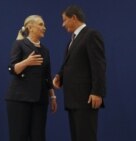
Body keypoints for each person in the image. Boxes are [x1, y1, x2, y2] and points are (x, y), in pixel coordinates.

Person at [53, 5, 106, 141]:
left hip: (86, 98)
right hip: (73, 99)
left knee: (86, 137)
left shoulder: (91, 35)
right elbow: (71, 64)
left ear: (74, 18)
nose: (63, 25)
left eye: (65, 20)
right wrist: (60, 76)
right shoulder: (73, 40)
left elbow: (98, 66)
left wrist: (97, 92)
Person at [6, 15, 57, 141]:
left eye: (44, 25)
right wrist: (26, 62)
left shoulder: (45, 50)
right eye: (40, 24)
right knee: (19, 136)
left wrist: (52, 96)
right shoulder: (19, 44)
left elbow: (47, 76)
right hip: (19, 99)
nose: (44, 28)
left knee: (38, 136)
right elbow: (12, 69)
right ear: (30, 27)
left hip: (40, 99)